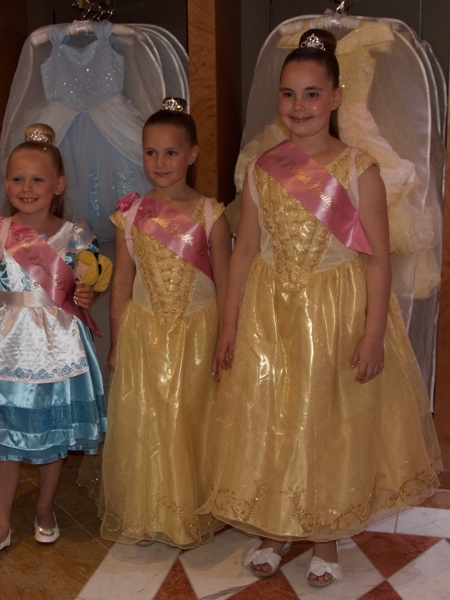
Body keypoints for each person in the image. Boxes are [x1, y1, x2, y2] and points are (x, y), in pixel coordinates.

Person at [198, 29, 442, 587]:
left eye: (312, 94)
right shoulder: (262, 168)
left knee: (325, 422)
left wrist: (373, 333)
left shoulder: (360, 170)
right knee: (272, 417)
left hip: (335, 316)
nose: (299, 105)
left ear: (335, 97)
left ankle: (325, 533)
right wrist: (229, 323)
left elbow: (377, 258)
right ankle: (274, 525)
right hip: (268, 315)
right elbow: (245, 250)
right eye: (288, 94)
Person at [0, 124, 107, 558]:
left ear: (58, 185)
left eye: (38, 179)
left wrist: (86, 293)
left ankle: (44, 508)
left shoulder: (75, 237)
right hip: (8, 349)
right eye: (18, 179)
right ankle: (0, 524)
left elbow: (81, 291)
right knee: (5, 441)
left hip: (61, 348)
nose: (27, 188)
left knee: (52, 435)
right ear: (6, 184)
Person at [98, 97, 231, 548]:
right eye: (151, 152)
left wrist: (225, 337)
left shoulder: (211, 214)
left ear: (192, 154)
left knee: (193, 423)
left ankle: (192, 508)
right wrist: (118, 341)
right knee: (149, 423)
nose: (160, 162)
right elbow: (121, 282)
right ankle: (149, 508)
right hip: (145, 336)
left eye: (171, 152)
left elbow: (227, 284)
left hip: (198, 334)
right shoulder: (131, 214)